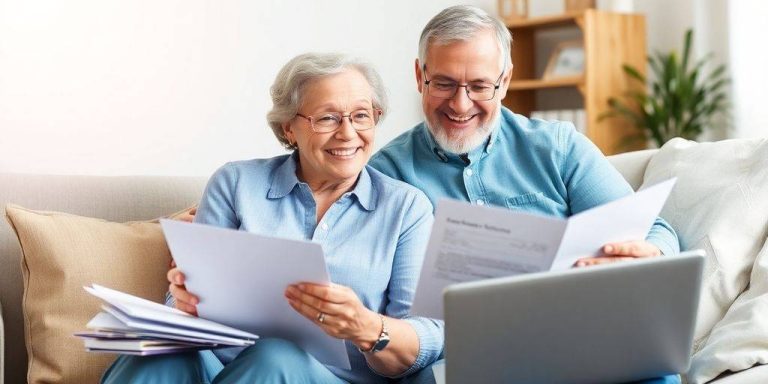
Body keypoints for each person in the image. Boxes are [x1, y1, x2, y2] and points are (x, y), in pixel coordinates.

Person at [367, 5, 680, 384]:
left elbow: (654, 229)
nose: (460, 104)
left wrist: (648, 254)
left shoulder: (558, 148)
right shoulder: (386, 174)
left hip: (573, 339)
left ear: (506, 80)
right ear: (420, 76)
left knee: (654, 370)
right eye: (444, 84)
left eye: (480, 86)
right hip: (460, 358)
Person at [101, 53, 443, 383]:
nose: (347, 133)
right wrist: (186, 302)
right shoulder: (236, 183)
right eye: (327, 118)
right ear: (288, 127)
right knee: (157, 348)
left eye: (361, 116)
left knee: (276, 356)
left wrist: (365, 327)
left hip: (330, 378)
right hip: (219, 365)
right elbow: (185, 302)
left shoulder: (406, 208)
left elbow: (423, 337)